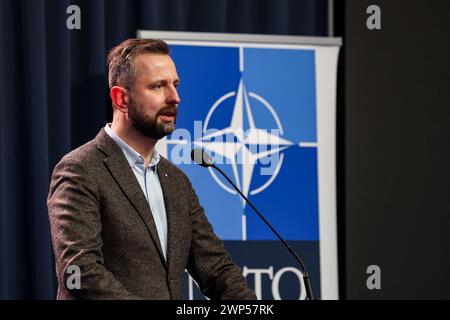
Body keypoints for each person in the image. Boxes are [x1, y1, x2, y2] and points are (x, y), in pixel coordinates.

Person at [47, 38, 256, 300]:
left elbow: (217, 269)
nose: (175, 98)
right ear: (121, 99)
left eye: (175, 85)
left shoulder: (176, 180)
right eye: (158, 86)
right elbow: (79, 273)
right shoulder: (80, 170)